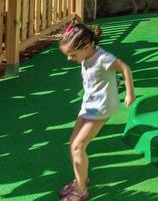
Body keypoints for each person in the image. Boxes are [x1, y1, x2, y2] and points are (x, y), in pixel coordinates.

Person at [58, 20, 135, 199]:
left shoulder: (103, 58)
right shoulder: (86, 55)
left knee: (78, 147)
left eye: (72, 54)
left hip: (101, 108)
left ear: (86, 47)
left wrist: (130, 93)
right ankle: (81, 179)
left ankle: (80, 190)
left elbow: (125, 68)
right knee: (73, 143)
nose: (69, 59)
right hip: (88, 105)